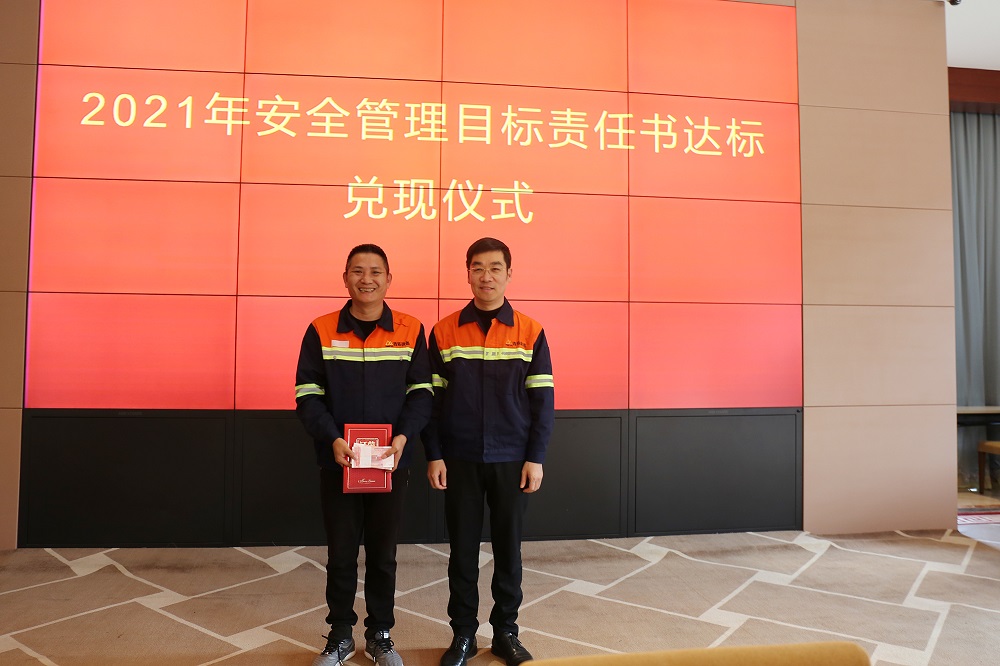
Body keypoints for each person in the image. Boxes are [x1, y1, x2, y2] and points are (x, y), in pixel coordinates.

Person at [295, 243, 433, 666]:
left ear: (389, 279)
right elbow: (308, 393)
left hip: (391, 462)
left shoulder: (410, 329)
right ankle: (340, 634)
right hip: (339, 461)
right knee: (340, 553)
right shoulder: (321, 329)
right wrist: (332, 438)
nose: (366, 279)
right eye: (358, 271)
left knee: (383, 554)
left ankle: (380, 634)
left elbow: (422, 393)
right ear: (345, 278)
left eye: (375, 272)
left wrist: (404, 437)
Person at [423, 237, 555, 666]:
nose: (486, 276)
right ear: (467, 274)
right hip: (459, 457)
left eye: (495, 268)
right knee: (462, 552)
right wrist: (434, 454)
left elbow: (542, 401)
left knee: (508, 551)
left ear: (509, 274)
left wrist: (536, 457)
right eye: (478, 268)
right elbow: (432, 401)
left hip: (512, 458)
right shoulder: (444, 331)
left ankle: (505, 633)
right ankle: (463, 633)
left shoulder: (530, 331)